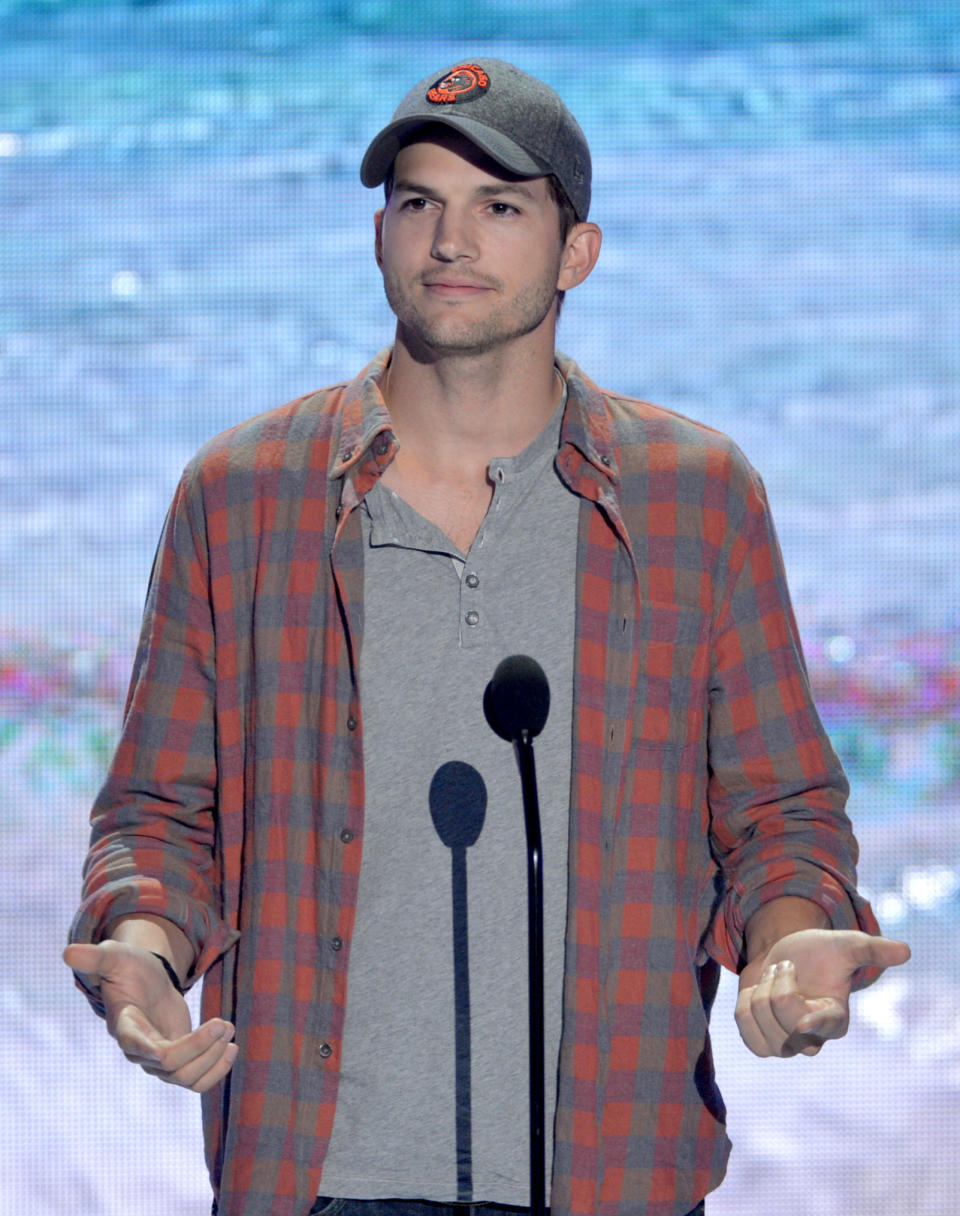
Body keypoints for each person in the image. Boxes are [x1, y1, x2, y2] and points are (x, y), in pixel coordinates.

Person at [64, 58, 909, 1216]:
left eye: (499, 206)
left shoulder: (694, 498)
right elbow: (163, 812)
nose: (448, 240)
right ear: (378, 237)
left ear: (576, 253)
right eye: (418, 202)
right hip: (311, 1173)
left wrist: (796, 938)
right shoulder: (244, 492)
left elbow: (778, 812)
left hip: (610, 1169)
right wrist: (147, 955)